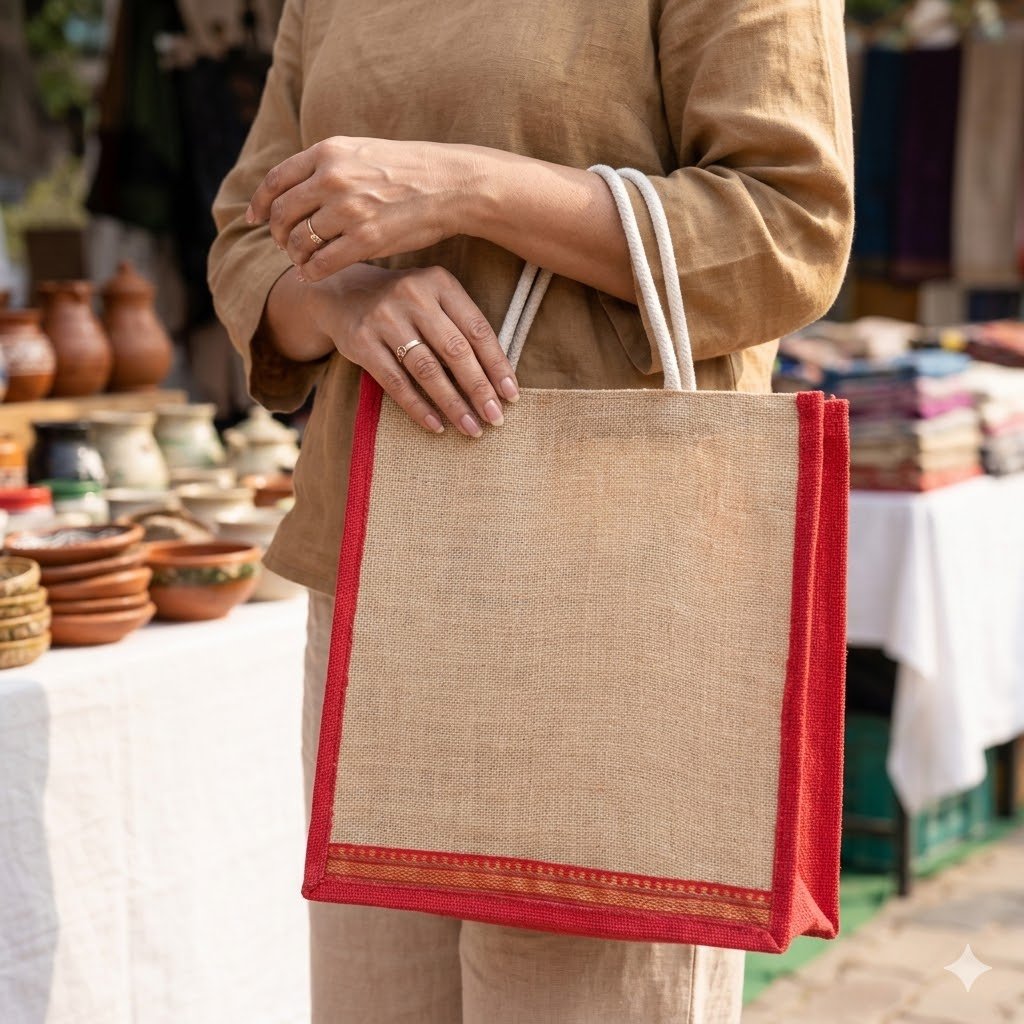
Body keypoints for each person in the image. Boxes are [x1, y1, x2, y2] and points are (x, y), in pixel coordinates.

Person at [208, 0, 853, 1020]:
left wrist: (468, 188)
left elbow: (791, 228)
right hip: (374, 579)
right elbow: (248, 232)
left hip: (613, 579)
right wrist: (339, 296)